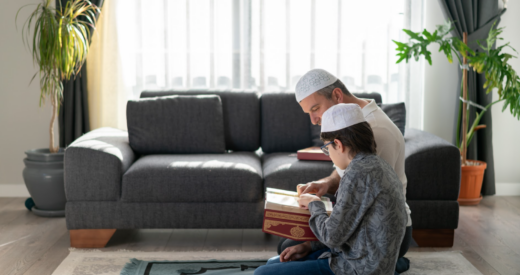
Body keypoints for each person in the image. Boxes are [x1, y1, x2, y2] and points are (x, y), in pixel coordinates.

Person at [278, 69, 412, 274]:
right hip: (361, 220)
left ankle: (393, 264)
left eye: (316, 108)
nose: (314, 120)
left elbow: (361, 198)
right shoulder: (352, 123)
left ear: (337, 96)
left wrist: (317, 210)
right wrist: (324, 184)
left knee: (291, 247)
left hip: (382, 236)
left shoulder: (375, 131)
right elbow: (346, 178)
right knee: (289, 246)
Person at [255, 104, 408, 275]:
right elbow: (347, 229)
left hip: (358, 268)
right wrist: (310, 246)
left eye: (327, 149)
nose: (329, 155)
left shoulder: (357, 173)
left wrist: (314, 203)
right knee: (272, 263)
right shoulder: (377, 165)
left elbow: (332, 236)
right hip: (365, 258)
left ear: (338, 144)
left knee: (262, 273)